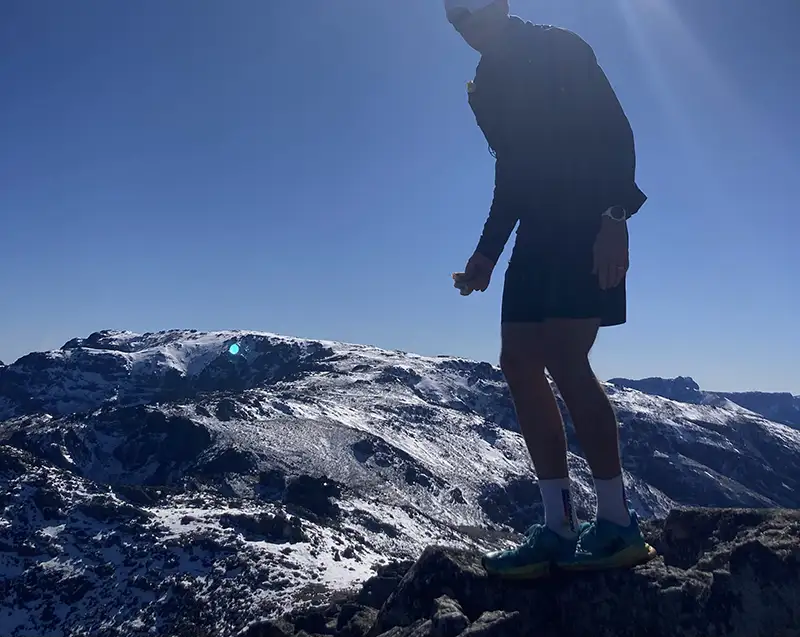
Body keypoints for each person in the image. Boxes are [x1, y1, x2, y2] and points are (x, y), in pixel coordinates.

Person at [446, 0, 653, 577]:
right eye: (454, 19)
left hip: (585, 221)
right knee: (517, 362)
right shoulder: (485, 85)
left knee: (565, 358)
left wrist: (615, 217)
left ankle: (617, 523)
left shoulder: (560, 46)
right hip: (535, 233)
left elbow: (616, 131)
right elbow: (511, 173)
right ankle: (558, 527)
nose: (465, 25)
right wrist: (487, 252)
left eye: (471, 10)